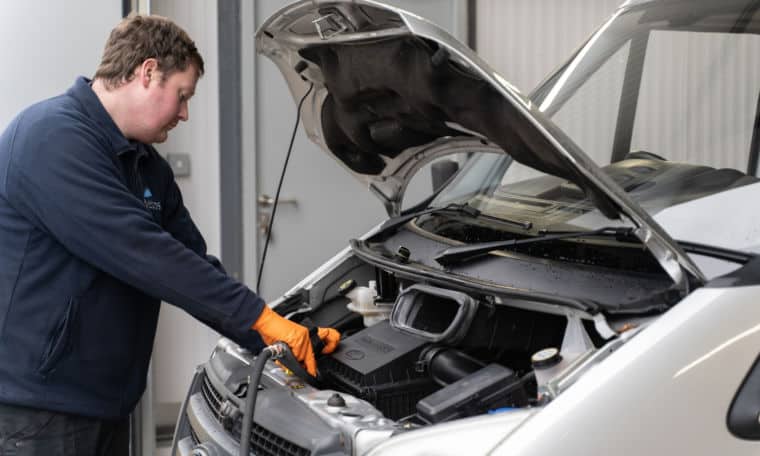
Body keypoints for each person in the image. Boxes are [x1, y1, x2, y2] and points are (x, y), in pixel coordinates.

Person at [0, 13, 340, 455]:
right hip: (37, 408)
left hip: (103, 402)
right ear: (147, 72)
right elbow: (143, 251)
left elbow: (192, 261)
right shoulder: (51, 138)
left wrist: (280, 335)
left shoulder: (145, 166)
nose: (184, 112)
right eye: (182, 95)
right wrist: (257, 318)